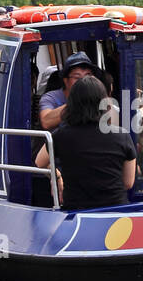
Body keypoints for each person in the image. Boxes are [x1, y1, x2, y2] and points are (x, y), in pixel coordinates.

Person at [35, 75, 135, 210]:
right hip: (115, 213)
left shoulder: (60, 135)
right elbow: (128, 183)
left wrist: (57, 176)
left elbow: (39, 162)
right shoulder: (122, 135)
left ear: (71, 104)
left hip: (76, 211)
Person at [39, 52, 96, 131]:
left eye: (88, 76)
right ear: (66, 81)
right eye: (77, 77)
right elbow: (46, 122)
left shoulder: (97, 95)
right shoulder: (51, 97)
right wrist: (79, 101)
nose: (83, 81)